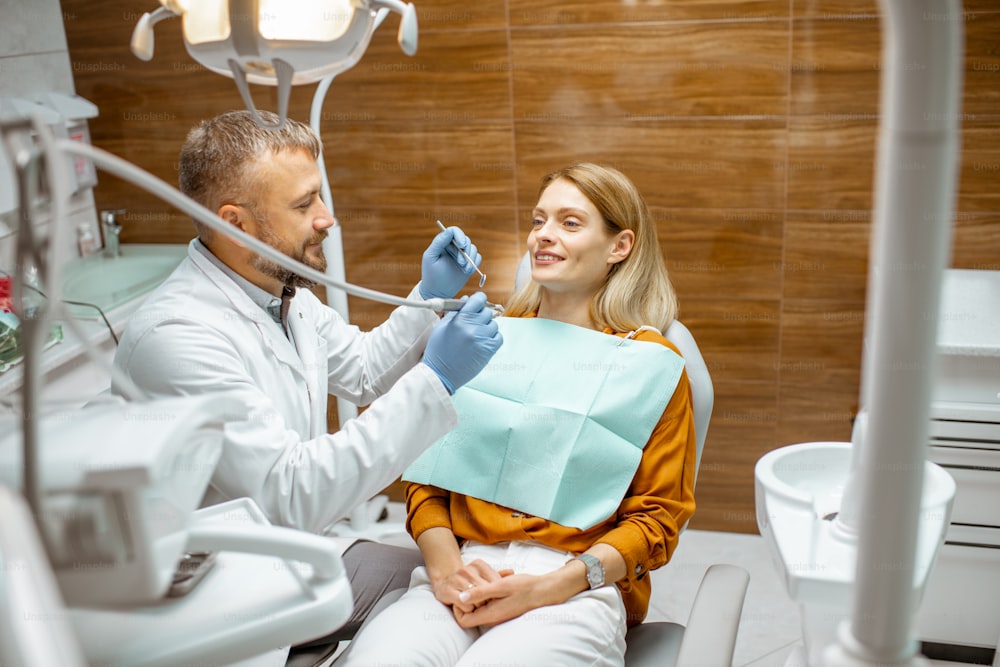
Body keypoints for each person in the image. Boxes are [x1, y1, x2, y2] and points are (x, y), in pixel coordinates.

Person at [110, 110, 503, 651]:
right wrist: (436, 379)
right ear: (235, 222)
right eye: (304, 204)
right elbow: (292, 494)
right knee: (442, 610)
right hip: (221, 594)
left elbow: (363, 371)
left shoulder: (280, 293)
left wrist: (426, 297)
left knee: (463, 582)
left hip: (290, 554)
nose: (327, 218)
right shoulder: (177, 336)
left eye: (320, 196)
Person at [340, 163, 697, 666]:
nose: (544, 236)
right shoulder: (486, 339)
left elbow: (657, 517)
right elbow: (427, 480)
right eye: (538, 220)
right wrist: (445, 570)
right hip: (464, 565)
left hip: (574, 586)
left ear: (620, 247)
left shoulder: (651, 366)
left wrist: (549, 588)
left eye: (570, 223)